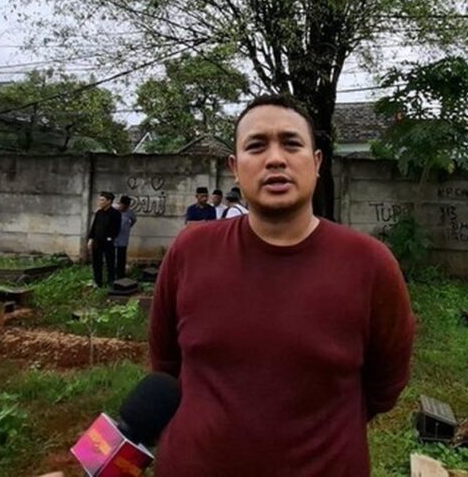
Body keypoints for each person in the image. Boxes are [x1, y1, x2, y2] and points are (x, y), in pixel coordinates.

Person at [149, 95, 415, 476]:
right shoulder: (190, 251)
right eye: (257, 146)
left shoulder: (371, 264)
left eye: (291, 143)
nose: (275, 159)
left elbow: (385, 386)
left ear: (317, 163)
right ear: (235, 168)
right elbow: (165, 363)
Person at [86, 191, 121, 288]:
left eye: (102, 200)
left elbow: (116, 230)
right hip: (97, 241)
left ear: (109, 201)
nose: (100, 202)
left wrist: (110, 238)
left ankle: (111, 281)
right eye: (100, 200)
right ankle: (98, 282)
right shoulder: (99, 213)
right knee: (97, 262)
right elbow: (94, 227)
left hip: (108, 242)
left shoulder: (116, 214)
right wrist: (91, 239)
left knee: (110, 262)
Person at [114, 195, 137, 279]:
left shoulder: (129, 213)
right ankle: (112, 273)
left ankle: (120, 275)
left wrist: (127, 227)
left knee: (121, 257)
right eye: (122, 205)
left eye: (126, 206)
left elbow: (134, 220)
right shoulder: (113, 209)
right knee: (112, 257)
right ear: (119, 203)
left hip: (123, 238)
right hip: (113, 238)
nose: (123, 208)